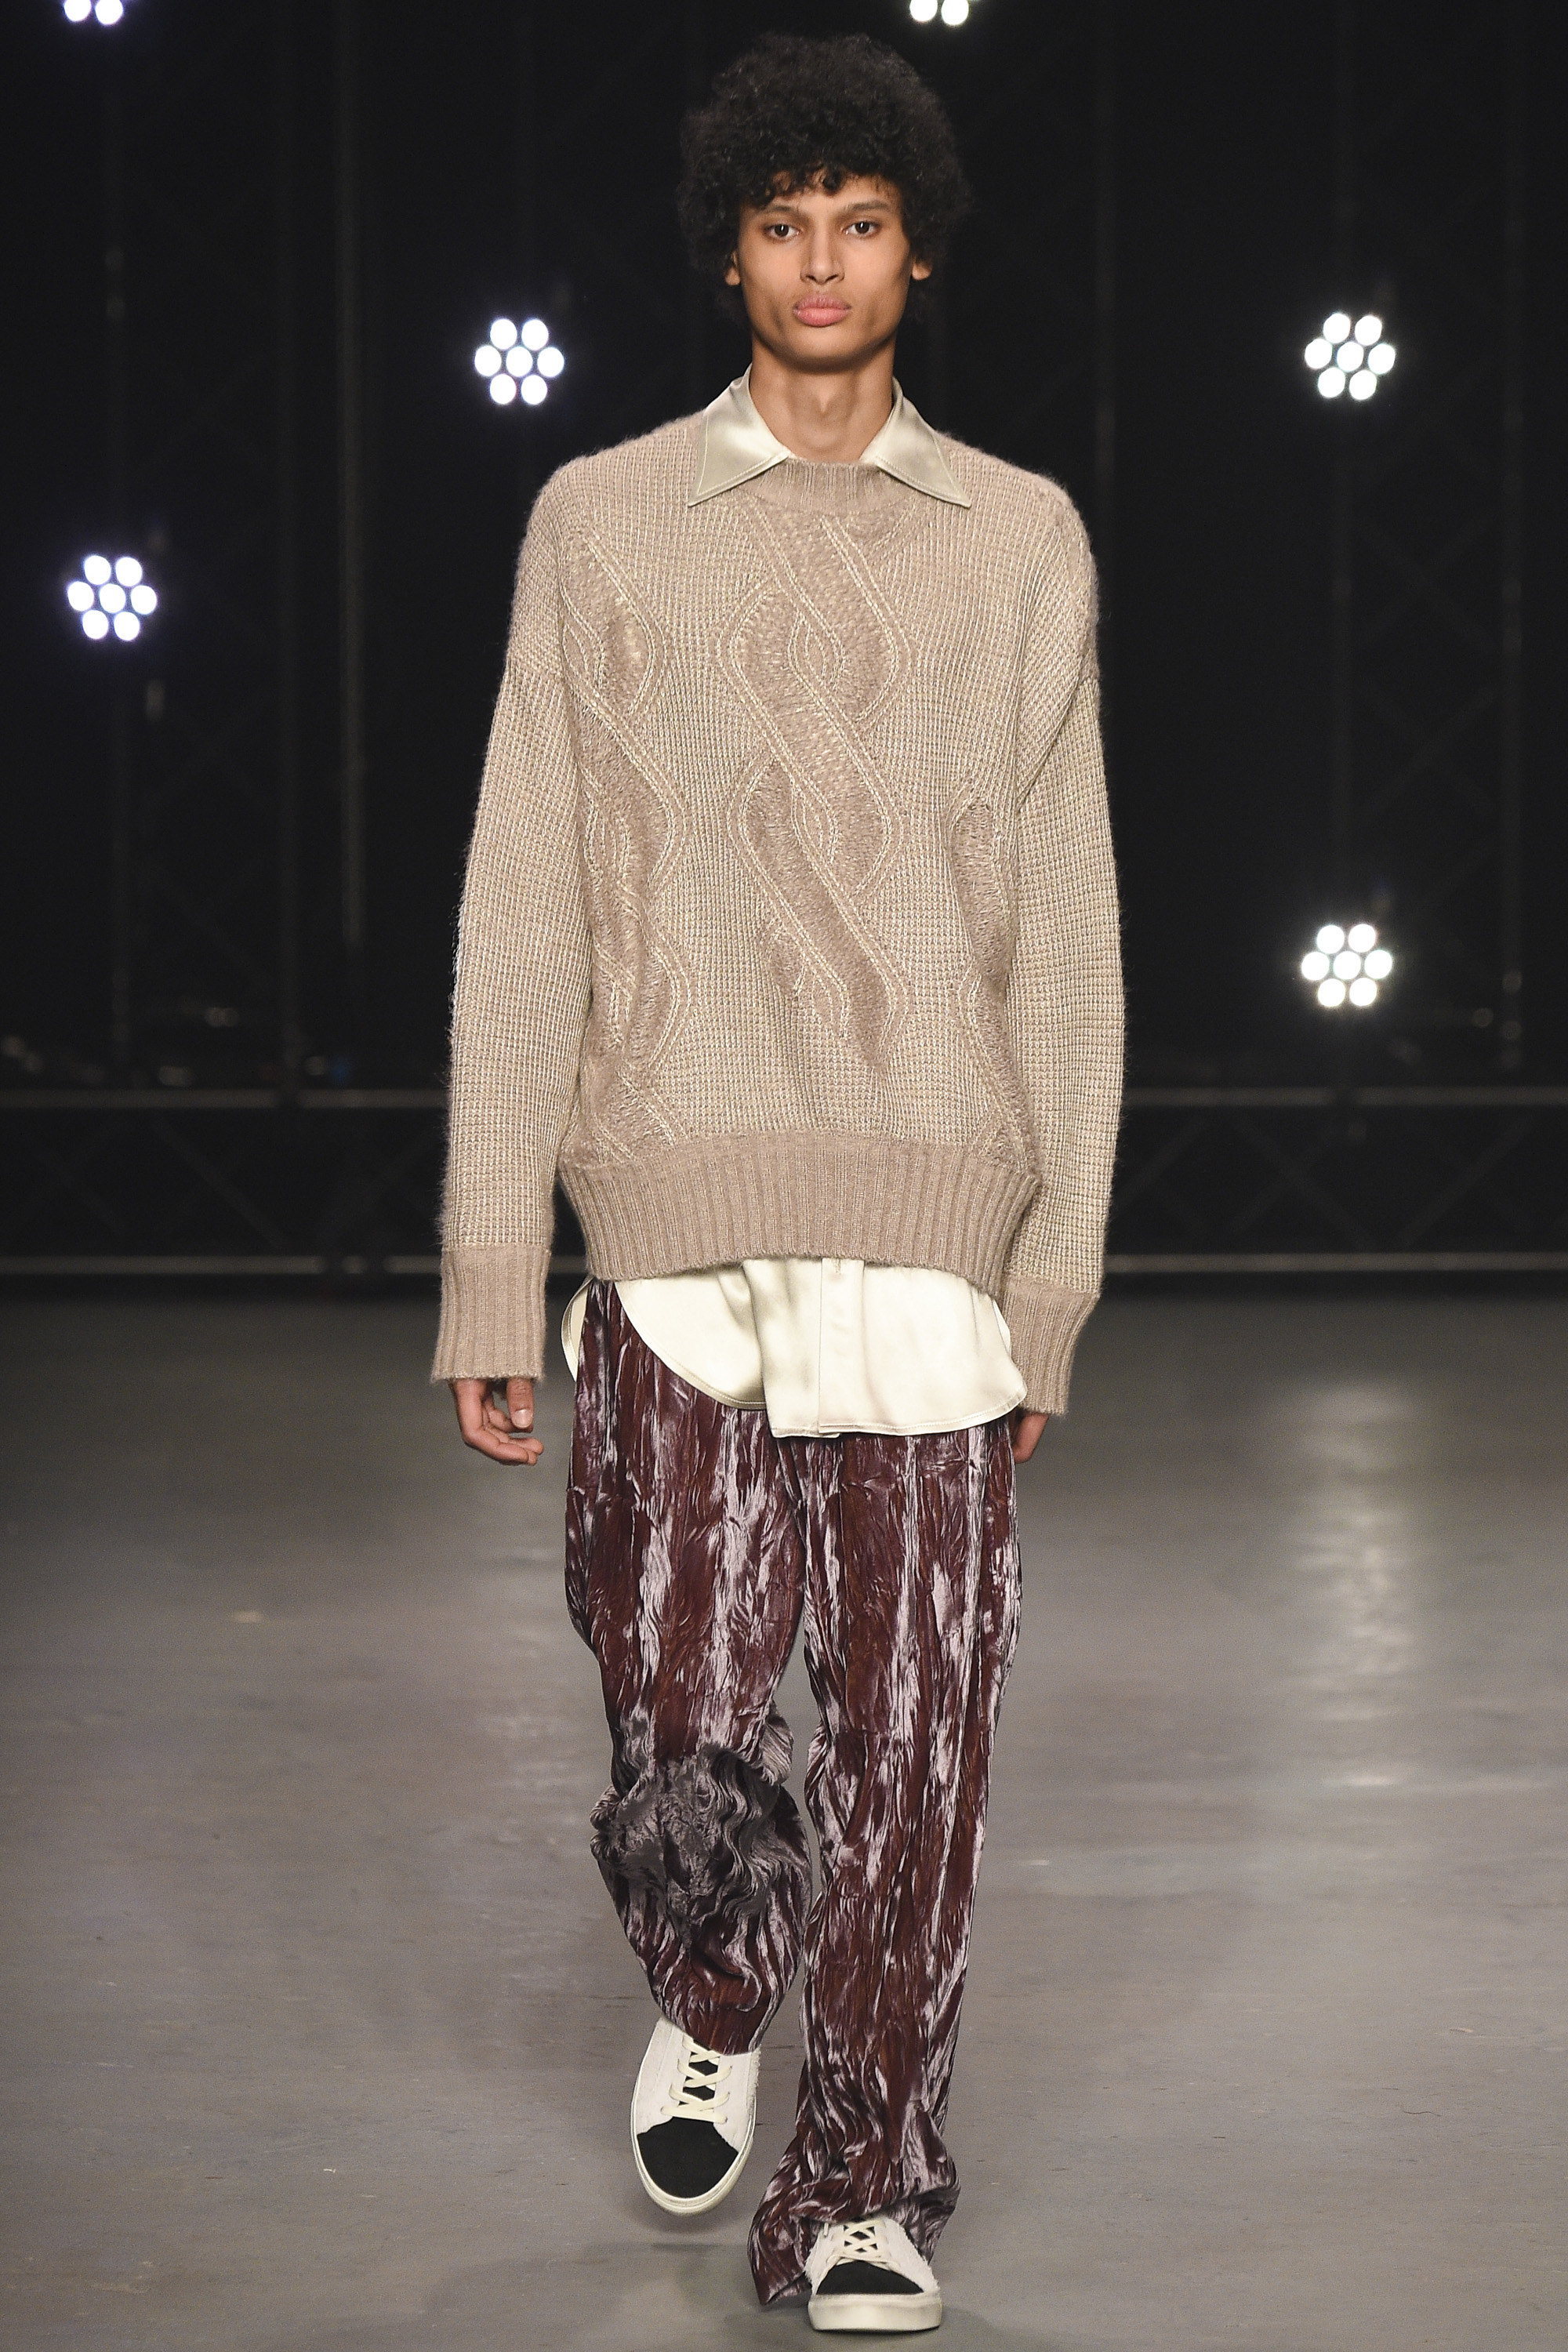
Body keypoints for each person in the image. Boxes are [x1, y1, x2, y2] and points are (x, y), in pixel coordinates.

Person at [435, 31, 1122, 2335]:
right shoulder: (602, 522)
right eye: (779, 222)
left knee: (921, 1753)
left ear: (917, 251)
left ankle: (863, 2190)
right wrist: (487, 1264)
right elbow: (528, 895)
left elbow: (1067, 927)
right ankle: (719, 1986)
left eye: (861, 221)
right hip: (672, 1230)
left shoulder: (1019, 537)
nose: (821, 262)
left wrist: (1054, 1274)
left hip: (936, 1242)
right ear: (728, 253)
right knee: (676, 1714)